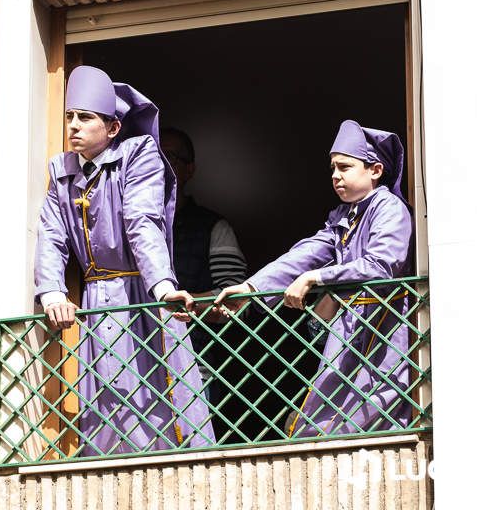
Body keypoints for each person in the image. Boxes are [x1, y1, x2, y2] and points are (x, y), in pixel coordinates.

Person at [34, 66, 215, 455]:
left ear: (113, 128)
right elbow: (50, 235)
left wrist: (163, 287)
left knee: (150, 395)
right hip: (96, 299)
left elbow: (141, 222)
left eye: (85, 118)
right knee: (100, 397)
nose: (73, 126)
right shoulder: (61, 170)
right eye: (69, 117)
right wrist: (51, 293)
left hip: (141, 294)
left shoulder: (139, 155)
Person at [214, 119, 413, 438]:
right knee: (325, 412)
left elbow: (382, 264)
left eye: (345, 167)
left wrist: (317, 278)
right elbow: (304, 255)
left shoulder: (389, 208)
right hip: (348, 329)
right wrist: (251, 288)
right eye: (333, 168)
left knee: (374, 413)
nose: (335, 175)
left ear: (374, 170)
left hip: (383, 330)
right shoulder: (343, 216)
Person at [159, 127, 248, 408]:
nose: (159, 163)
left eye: (170, 156)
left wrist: (180, 306)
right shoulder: (123, 224)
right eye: (153, 155)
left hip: (194, 367)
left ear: (189, 169)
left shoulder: (212, 228)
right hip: (132, 361)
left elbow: (236, 303)